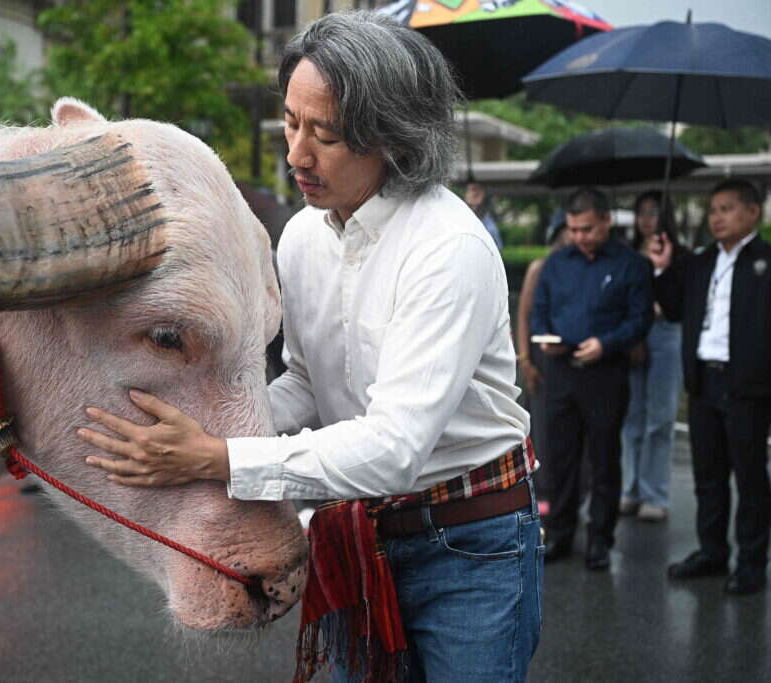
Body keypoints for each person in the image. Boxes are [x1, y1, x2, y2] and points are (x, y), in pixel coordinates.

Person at [75, 11, 540, 683]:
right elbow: (306, 382)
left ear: (393, 137)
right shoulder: (301, 237)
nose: (297, 154)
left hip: (469, 540)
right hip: (358, 528)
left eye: (324, 134)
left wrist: (216, 456)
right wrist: (194, 428)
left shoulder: (448, 249)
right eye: (291, 123)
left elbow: (393, 448)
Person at [651, 179, 771, 595]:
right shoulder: (701, 262)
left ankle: (752, 562)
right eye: (713, 209)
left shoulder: (765, 261)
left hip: (748, 384)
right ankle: (712, 551)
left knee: (750, 477)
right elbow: (672, 309)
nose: (716, 217)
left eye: (726, 208)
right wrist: (662, 268)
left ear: (753, 212)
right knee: (708, 474)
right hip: (704, 379)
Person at [531, 187, 653, 570]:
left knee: (604, 458)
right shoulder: (557, 263)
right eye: (573, 229)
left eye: (587, 229)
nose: (579, 236)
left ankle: (601, 538)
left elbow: (640, 320)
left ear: (606, 221)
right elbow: (539, 310)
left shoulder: (632, 264)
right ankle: (561, 533)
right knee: (561, 457)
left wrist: (606, 343)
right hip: (561, 372)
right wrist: (543, 338)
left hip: (606, 373)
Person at [618, 191, 685, 523]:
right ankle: (630, 488)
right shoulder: (629, 253)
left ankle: (654, 493)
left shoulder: (679, 255)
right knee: (632, 417)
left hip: (665, 333)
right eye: (641, 212)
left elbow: (678, 305)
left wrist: (661, 270)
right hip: (634, 334)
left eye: (653, 211)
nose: (646, 218)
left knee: (660, 417)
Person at [515, 213, 571, 514]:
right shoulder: (541, 267)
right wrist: (524, 359)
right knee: (541, 426)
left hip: (569, 357)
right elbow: (523, 315)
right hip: (540, 357)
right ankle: (542, 489)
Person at [465, 181, 504, 249]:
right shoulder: (463, 219)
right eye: (469, 190)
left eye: (475, 190)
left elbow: (498, 247)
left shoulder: (490, 227)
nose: (472, 194)